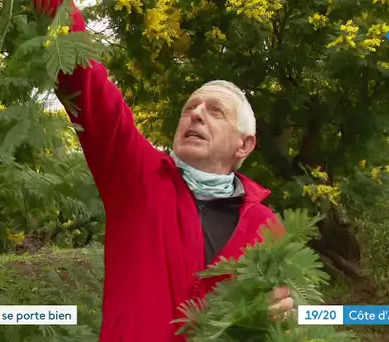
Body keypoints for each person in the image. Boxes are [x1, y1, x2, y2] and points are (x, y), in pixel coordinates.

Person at [33, 0, 295, 340]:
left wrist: (282, 313)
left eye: (215, 112)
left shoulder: (267, 227)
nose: (196, 114)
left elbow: (281, 320)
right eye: (190, 108)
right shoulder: (137, 175)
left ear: (244, 145)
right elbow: (85, 81)